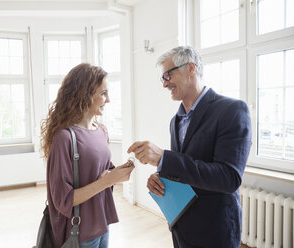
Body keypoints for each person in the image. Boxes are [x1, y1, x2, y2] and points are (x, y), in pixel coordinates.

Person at [127, 46, 252, 248]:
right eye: (163, 78)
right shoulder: (175, 121)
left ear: (191, 68)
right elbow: (185, 169)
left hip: (214, 230)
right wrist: (161, 177)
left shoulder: (232, 110)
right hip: (181, 226)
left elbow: (229, 178)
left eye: (168, 75)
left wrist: (164, 159)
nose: (165, 84)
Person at [40, 63, 135, 248]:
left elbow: (102, 173)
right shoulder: (64, 138)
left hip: (103, 224)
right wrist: (106, 182)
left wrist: (121, 172)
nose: (108, 100)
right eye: (103, 93)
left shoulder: (101, 130)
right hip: (80, 232)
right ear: (85, 94)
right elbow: (63, 200)